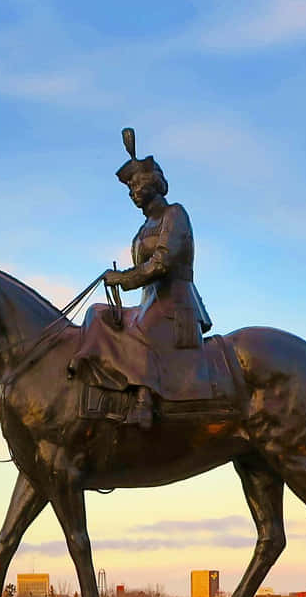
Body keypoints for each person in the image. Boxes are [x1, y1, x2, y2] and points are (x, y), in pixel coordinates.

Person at [90, 128, 213, 428]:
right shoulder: (143, 228)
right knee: (98, 314)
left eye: (135, 183)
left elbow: (162, 262)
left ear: (152, 183)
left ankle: (144, 401)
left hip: (175, 305)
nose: (132, 190)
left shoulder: (175, 214)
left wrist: (123, 278)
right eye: (129, 186)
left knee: (140, 329)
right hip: (151, 302)